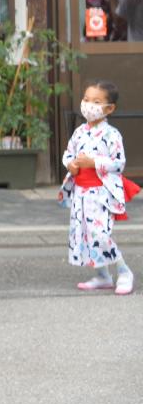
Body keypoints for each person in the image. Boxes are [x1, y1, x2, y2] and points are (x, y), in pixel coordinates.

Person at [60, 80, 137, 295]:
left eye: (96, 101)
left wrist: (93, 162)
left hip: (101, 192)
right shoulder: (79, 132)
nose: (88, 104)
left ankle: (124, 271)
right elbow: (68, 154)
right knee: (85, 233)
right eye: (86, 99)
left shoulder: (112, 135)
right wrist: (72, 164)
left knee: (100, 234)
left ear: (109, 108)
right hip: (81, 192)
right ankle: (103, 275)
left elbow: (118, 163)